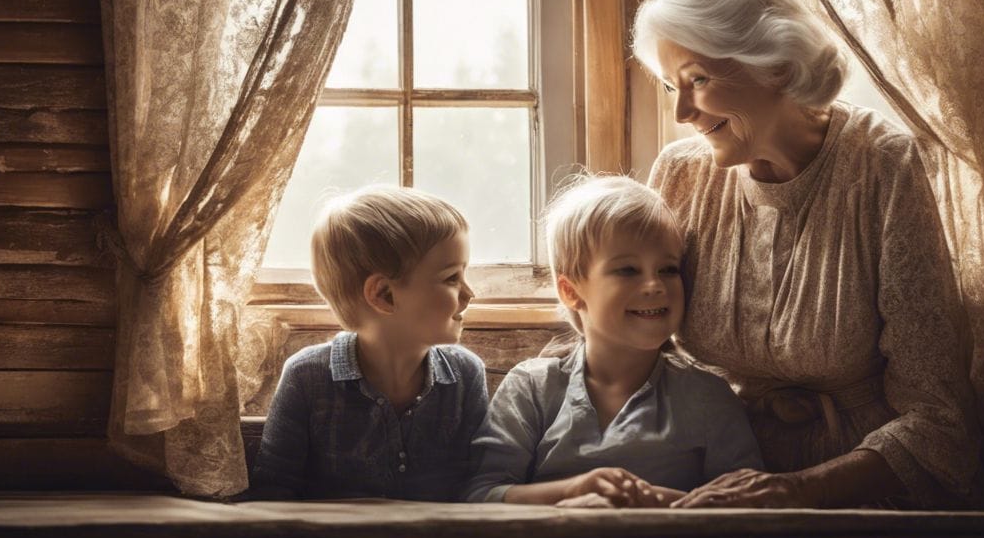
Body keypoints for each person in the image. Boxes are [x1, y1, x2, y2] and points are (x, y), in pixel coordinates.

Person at [632, 0, 984, 509]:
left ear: (775, 66)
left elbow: (939, 420)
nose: (682, 111)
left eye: (698, 80)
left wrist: (791, 491)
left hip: (869, 497)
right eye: (670, 87)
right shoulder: (681, 175)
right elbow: (629, 352)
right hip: (716, 485)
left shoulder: (882, 163)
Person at [462, 175, 763, 507]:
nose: (654, 285)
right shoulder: (532, 388)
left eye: (668, 269)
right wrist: (571, 491)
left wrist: (649, 502)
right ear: (571, 291)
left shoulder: (707, 397)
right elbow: (481, 494)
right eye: (628, 270)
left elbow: (748, 504)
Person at [251, 186, 488, 500]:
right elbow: (272, 495)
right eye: (452, 278)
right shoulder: (306, 377)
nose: (469, 294)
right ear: (384, 295)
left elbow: (480, 485)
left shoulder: (466, 375)